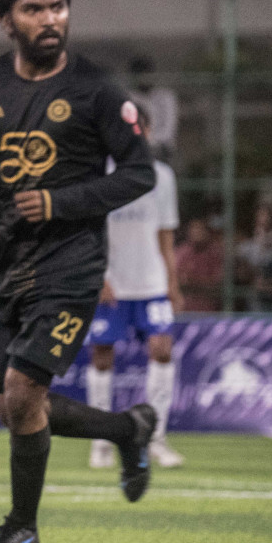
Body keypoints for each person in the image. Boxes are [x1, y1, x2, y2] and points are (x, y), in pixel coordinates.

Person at [0, 0, 158, 543]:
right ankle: (128, 428)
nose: (50, 18)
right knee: (9, 405)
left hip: (71, 263)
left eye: (58, 6)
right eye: (34, 8)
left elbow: (139, 175)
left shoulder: (97, 90)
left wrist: (61, 202)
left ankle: (21, 528)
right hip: (6, 264)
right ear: (8, 20)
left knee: (26, 393)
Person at [87, 115, 185, 469]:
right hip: (112, 283)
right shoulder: (98, 174)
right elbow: (88, 231)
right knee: (102, 356)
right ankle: (100, 440)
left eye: (139, 128)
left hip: (152, 283)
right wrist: (99, 276)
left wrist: (172, 282)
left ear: (148, 131)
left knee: (162, 349)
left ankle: (155, 436)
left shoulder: (162, 176)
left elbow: (166, 235)